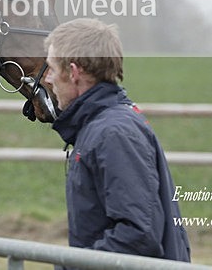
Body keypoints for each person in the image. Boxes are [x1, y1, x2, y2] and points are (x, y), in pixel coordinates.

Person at [44, 18, 191, 264]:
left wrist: (73, 264)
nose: (48, 79)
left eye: (52, 68)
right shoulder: (99, 127)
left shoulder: (113, 134)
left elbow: (138, 234)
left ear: (73, 72)